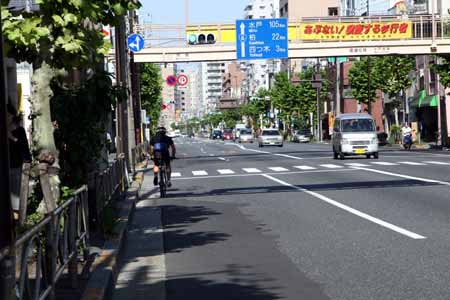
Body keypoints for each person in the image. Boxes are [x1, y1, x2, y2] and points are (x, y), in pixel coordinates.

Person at [7, 104, 32, 211]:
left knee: (15, 194)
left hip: (16, 165)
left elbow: (23, 146)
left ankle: (17, 215)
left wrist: (11, 137)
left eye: (8, 116)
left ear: (12, 116)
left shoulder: (19, 130)